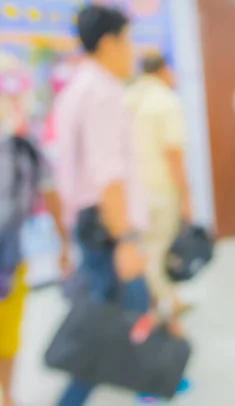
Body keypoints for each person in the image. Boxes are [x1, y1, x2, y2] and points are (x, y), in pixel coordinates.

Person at [52, 5, 171, 405]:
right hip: (108, 229)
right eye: (128, 41)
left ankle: (149, 387)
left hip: (91, 226)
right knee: (109, 324)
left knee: (124, 314)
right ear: (109, 43)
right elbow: (108, 176)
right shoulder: (101, 92)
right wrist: (125, 239)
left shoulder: (76, 89)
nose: (132, 51)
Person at [0, 60, 69, 406]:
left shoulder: (23, 147)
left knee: (7, 334)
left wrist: (65, 243)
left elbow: (49, 190)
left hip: (10, 260)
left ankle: (8, 395)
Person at [124, 52, 193, 314]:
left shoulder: (127, 98)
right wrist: (186, 196)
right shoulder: (165, 101)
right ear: (163, 70)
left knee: (145, 247)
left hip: (133, 190)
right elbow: (173, 154)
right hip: (160, 188)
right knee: (157, 251)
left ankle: (167, 301)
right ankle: (161, 305)